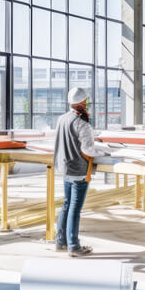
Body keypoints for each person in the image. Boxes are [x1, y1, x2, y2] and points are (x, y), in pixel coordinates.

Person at [53, 87, 105, 257]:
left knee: (67, 204)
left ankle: (61, 241)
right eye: (86, 102)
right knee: (75, 208)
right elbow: (88, 150)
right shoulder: (82, 124)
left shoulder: (62, 119)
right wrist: (103, 153)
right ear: (83, 103)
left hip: (65, 168)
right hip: (79, 171)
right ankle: (74, 246)